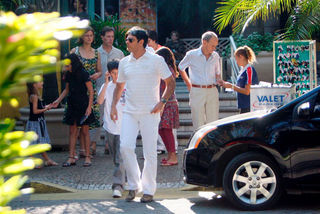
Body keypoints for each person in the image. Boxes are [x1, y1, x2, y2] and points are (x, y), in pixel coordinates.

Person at [110, 26, 175, 203]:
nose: (127, 43)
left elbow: (170, 82)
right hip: (129, 112)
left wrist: (162, 102)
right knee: (125, 147)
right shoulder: (124, 62)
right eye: (126, 39)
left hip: (150, 112)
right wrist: (113, 106)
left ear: (141, 42)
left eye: (130, 40)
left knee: (150, 153)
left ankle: (148, 190)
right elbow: (119, 86)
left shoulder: (156, 60)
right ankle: (133, 185)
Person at [53, 53, 95, 167]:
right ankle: (71, 157)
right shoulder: (68, 75)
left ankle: (87, 157)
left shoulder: (83, 73)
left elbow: (91, 91)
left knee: (85, 131)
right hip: (72, 103)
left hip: (83, 103)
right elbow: (66, 90)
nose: (66, 66)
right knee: (72, 131)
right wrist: (58, 100)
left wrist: (89, 107)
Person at [179, 31, 221, 130]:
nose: (214, 48)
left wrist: (219, 80)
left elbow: (218, 72)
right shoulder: (192, 54)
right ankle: (200, 144)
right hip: (197, 90)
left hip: (212, 90)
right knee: (198, 122)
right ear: (204, 42)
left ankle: (211, 144)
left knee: (213, 121)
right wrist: (188, 83)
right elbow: (181, 67)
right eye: (212, 45)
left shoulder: (215, 56)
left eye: (215, 46)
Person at [70, 27, 102, 157]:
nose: (89, 38)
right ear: (82, 37)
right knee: (76, 122)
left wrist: (97, 74)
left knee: (87, 123)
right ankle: (78, 150)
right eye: (87, 35)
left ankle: (85, 149)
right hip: (77, 88)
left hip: (90, 88)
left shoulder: (96, 53)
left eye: (91, 35)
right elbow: (68, 68)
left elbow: (99, 70)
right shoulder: (75, 51)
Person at [97, 59, 125, 198]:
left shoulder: (126, 86)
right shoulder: (106, 87)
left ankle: (117, 185)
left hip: (124, 128)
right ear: (109, 73)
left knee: (120, 158)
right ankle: (126, 180)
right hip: (110, 127)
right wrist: (107, 82)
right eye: (113, 73)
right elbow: (100, 101)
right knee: (116, 158)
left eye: (118, 73)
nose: (116, 76)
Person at [96, 26, 124, 155]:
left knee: (114, 114)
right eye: (108, 36)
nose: (110, 39)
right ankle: (95, 143)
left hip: (118, 88)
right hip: (102, 87)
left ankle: (110, 144)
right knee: (102, 116)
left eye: (112, 36)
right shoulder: (97, 52)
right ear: (102, 37)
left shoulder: (119, 53)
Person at [155, 47, 180, 166]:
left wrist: (162, 103)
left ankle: (173, 156)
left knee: (166, 129)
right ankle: (170, 155)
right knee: (161, 129)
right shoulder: (167, 69)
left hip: (168, 103)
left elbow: (168, 87)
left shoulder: (168, 70)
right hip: (164, 103)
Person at [25, 81, 58, 168]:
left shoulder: (35, 96)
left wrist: (48, 106)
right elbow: (35, 111)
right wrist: (46, 109)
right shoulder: (34, 96)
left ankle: (47, 160)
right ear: (34, 84)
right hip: (35, 123)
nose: (42, 83)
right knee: (34, 143)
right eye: (40, 82)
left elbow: (39, 108)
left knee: (40, 142)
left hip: (39, 122)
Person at [218, 46, 258, 113]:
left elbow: (247, 91)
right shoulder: (243, 70)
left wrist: (231, 86)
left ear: (241, 57)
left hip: (249, 105)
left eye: (236, 59)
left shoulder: (249, 70)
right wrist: (226, 84)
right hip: (243, 104)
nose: (236, 62)